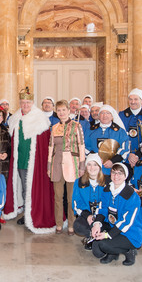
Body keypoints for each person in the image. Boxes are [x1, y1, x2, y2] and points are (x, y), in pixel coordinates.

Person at [4, 87, 55, 234]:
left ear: (32, 102)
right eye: (23, 102)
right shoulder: (15, 118)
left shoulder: (40, 120)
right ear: (20, 103)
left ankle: (32, 215)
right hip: (20, 162)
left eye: (28, 102)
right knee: (25, 189)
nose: (25, 105)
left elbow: (45, 145)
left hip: (34, 164)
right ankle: (27, 213)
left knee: (33, 189)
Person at [91, 163, 142, 266]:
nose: (116, 176)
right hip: (113, 226)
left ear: (125, 176)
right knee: (97, 247)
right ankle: (113, 253)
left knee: (103, 244)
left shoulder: (131, 195)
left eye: (120, 173)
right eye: (114, 172)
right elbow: (103, 209)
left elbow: (126, 222)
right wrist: (96, 224)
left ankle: (129, 251)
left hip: (130, 232)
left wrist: (107, 235)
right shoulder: (107, 190)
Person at [48, 100, 86, 234]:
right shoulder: (54, 127)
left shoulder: (77, 126)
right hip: (57, 166)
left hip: (73, 166)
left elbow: (81, 146)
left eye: (64, 110)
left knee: (71, 198)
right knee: (58, 197)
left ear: (69, 111)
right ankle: (59, 224)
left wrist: (82, 166)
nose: (61, 113)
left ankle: (71, 224)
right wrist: (49, 166)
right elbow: (51, 148)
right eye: (59, 110)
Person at [72, 154, 106, 249]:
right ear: (86, 167)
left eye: (95, 164)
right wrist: (88, 215)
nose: (92, 168)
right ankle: (93, 236)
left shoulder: (107, 182)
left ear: (99, 166)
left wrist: (98, 221)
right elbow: (75, 203)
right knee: (77, 226)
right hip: (87, 215)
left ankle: (97, 237)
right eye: (89, 164)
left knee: (98, 252)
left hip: (102, 217)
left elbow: (108, 204)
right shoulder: (79, 182)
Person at [84, 105, 129, 176]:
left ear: (112, 116)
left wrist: (112, 161)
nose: (104, 115)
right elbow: (86, 147)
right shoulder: (91, 130)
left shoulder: (120, 131)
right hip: (94, 169)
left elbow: (125, 149)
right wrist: (95, 159)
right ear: (99, 116)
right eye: (102, 113)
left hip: (113, 170)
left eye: (108, 113)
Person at [119, 88, 142, 167]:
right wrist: (128, 154)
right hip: (125, 157)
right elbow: (120, 136)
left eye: (136, 99)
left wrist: (137, 155)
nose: (133, 102)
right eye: (130, 99)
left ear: (141, 101)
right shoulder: (121, 115)